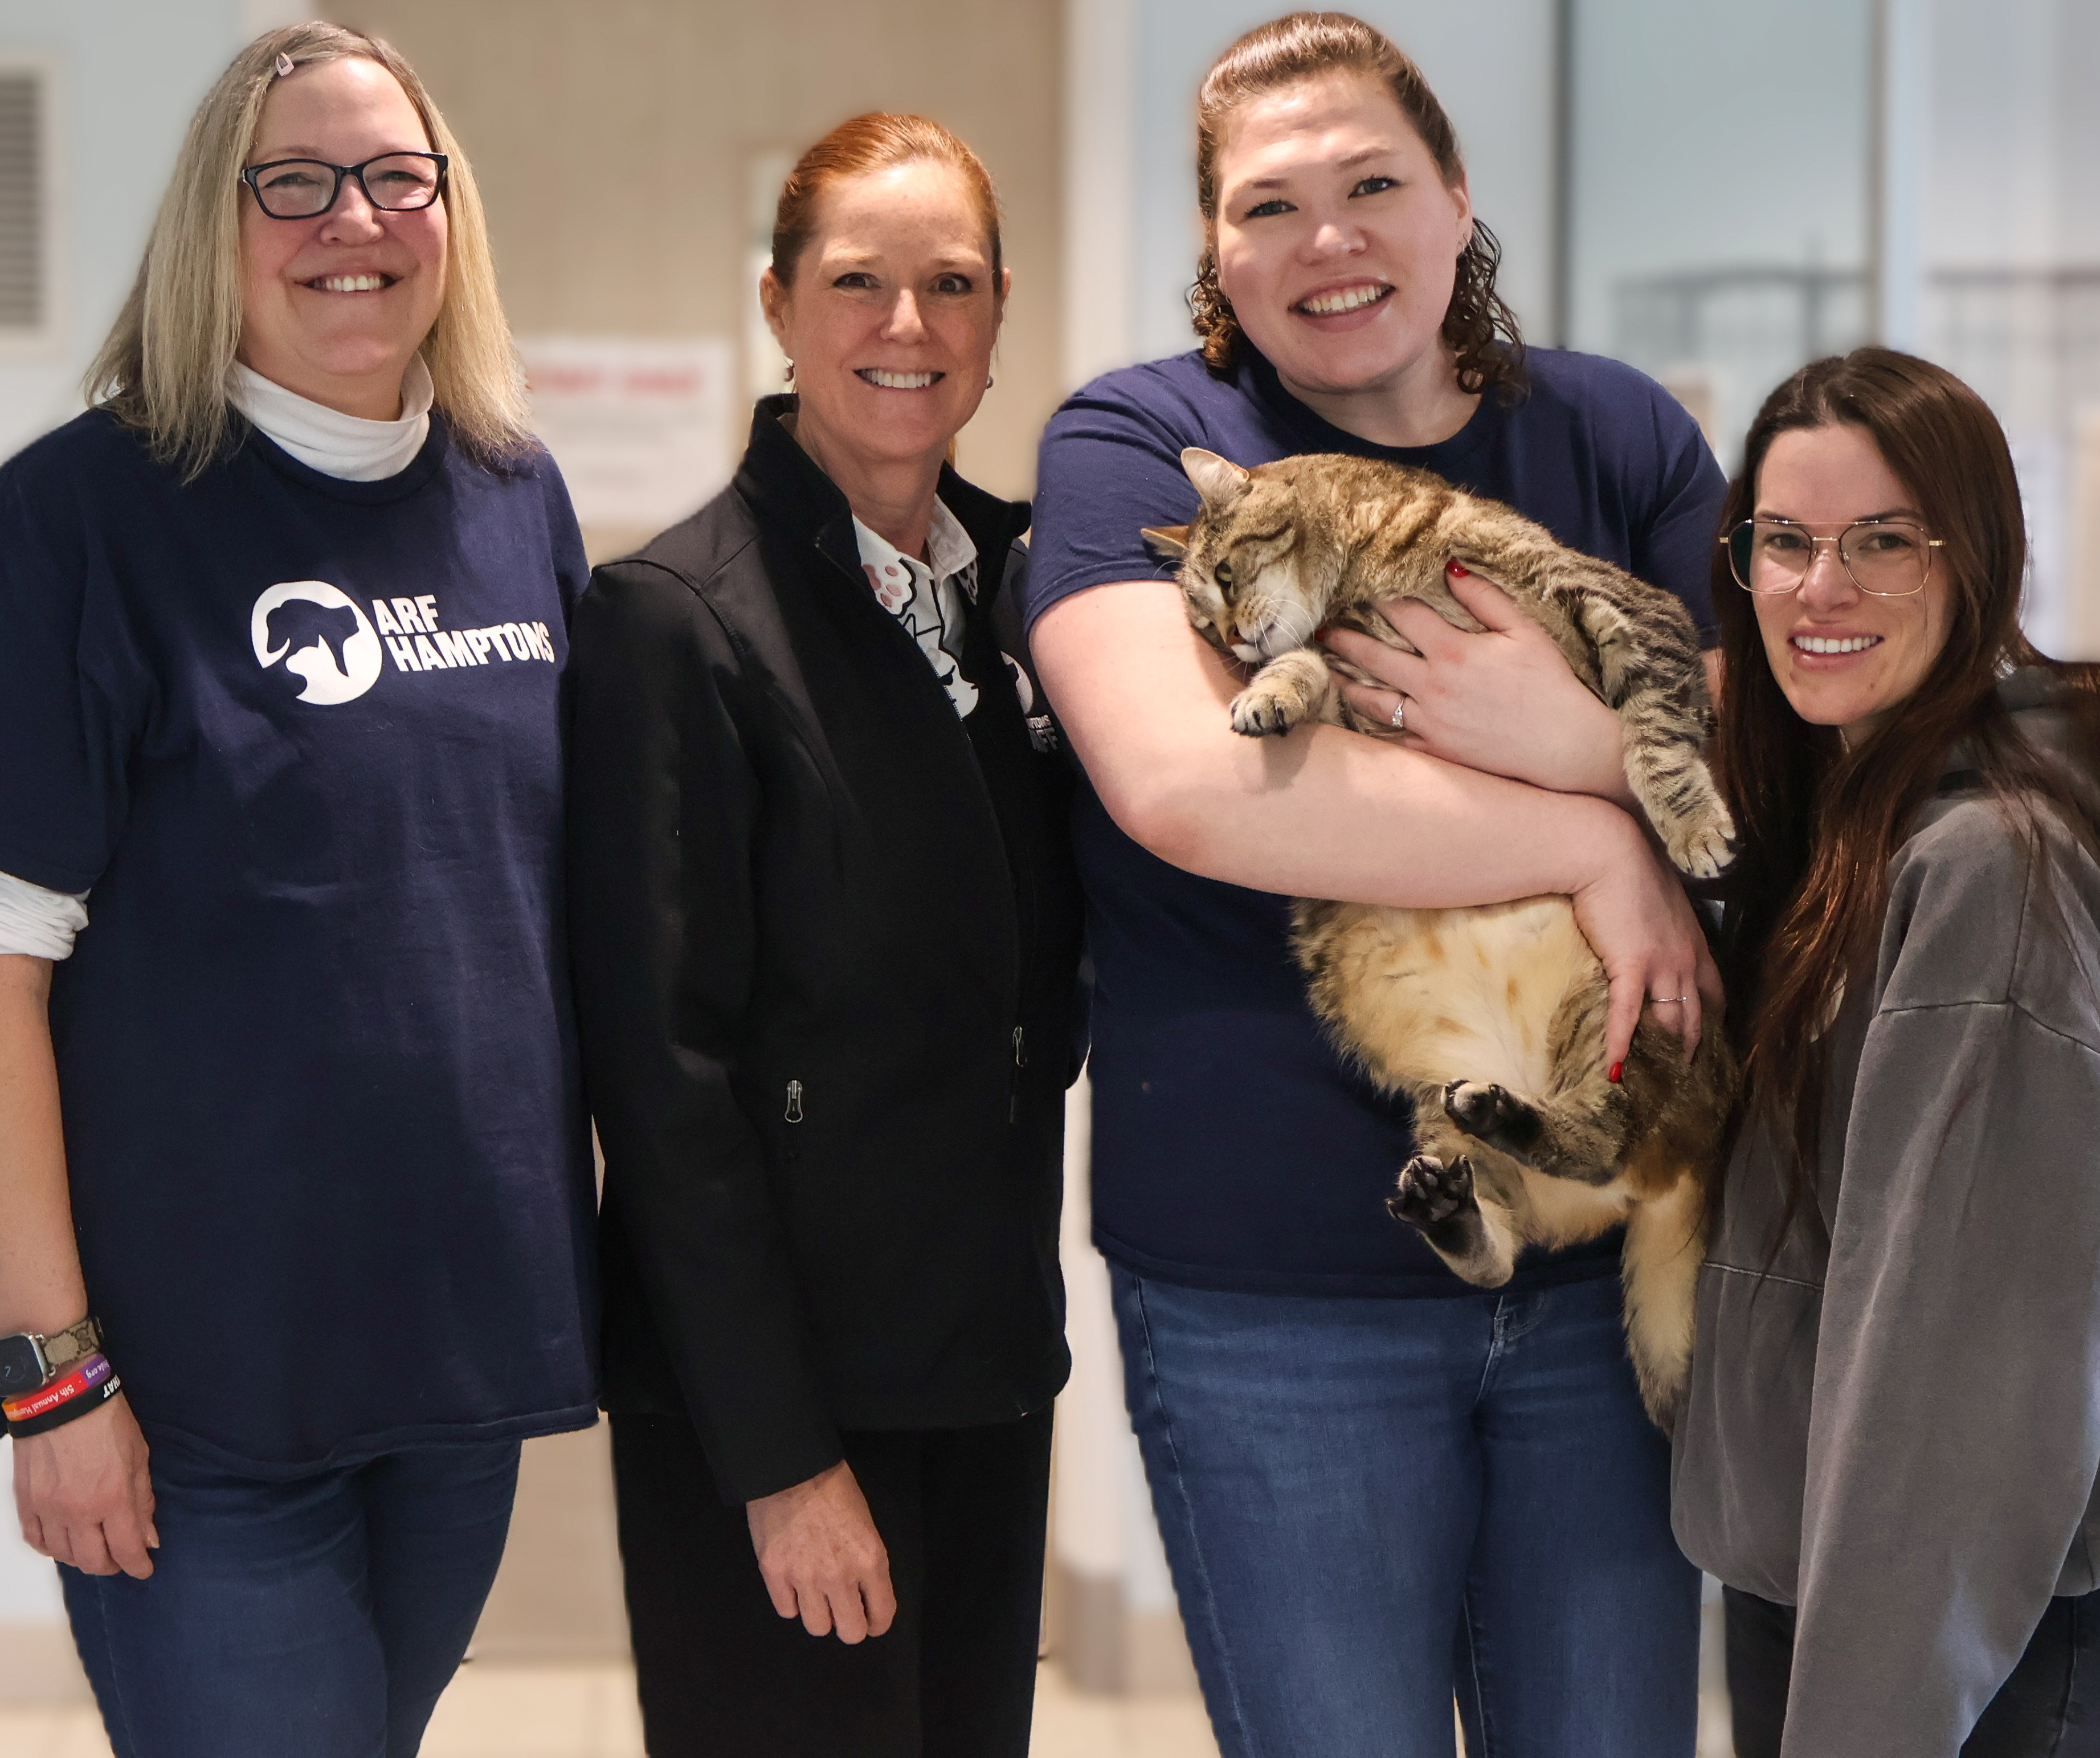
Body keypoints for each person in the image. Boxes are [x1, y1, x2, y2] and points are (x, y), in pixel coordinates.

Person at [1027, 13, 1725, 1756]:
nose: (1325, 240)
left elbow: (1749, 754)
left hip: (1592, 1246)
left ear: (1454, 198)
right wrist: (1591, 836)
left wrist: (1575, 742)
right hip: (1270, 1287)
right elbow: (1191, 784)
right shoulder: (1138, 443)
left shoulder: (1613, 433)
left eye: (1370, 185)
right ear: (1213, 247)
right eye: (1267, 206)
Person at [0, 25, 597, 1756]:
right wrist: (48, 1374)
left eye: (395, 175)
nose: (354, 217)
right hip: (197, 1387)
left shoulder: (513, 496)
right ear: (219, 223)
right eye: (297, 181)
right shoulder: (80, 519)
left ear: (447, 215)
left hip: (453, 1354)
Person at [566, 112, 1084, 1758]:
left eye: (949, 283)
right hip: (783, 1396)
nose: (906, 327)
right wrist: (781, 1464)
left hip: (985, 1361)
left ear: (1000, 314)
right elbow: (663, 1083)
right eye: (857, 281)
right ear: (778, 308)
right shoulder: (677, 619)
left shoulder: (1035, 589)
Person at [1673, 348, 2100, 1757]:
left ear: (1974, 555)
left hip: (1939, 1645)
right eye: (1784, 542)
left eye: (1880, 542)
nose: (1819, 587)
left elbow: (1951, 1362)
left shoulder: (1986, 865)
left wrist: (1861, 1721)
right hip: (1825, 1587)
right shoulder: (1857, 815)